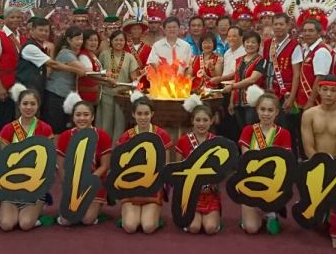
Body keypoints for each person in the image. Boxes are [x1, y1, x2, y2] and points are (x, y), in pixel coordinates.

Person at [301, 75, 336, 248]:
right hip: (315, 165)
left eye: (333, 90)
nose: (329, 94)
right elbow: (308, 146)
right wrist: (319, 167)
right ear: (318, 90)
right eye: (325, 90)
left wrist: (334, 170)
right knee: (311, 218)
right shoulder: (309, 115)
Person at [0, 88, 54, 232]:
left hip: (35, 187)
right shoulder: (8, 129)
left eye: (32, 104)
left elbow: (49, 161)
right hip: (11, 187)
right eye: (25, 103)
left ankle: (38, 208)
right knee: (6, 225)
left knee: (25, 224)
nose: (28, 107)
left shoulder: (45, 129)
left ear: (38, 105)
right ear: (19, 105)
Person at [238, 92, 292, 235]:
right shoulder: (248, 130)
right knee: (251, 229)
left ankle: (272, 212)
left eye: (270, 110)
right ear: (257, 110)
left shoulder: (284, 133)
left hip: (273, 183)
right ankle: (256, 212)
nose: (266, 114)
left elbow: (285, 162)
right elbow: (246, 159)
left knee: (272, 231)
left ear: (276, 112)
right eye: (262, 109)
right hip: (251, 181)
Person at [117, 98, 174, 234]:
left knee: (148, 227)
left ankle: (153, 214)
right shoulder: (126, 136)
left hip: (152, 187)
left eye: (146, 113)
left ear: (152, 114)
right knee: (130, 227)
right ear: (133, 114)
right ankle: (129, 214)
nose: (143, 117)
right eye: (139, 114)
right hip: (131, 187)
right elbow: (121, 166)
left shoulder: (161, 135)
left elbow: (165, 165)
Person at [56, 100, 113, 226]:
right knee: (66, 221)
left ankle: (96, 207)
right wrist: (69, 186)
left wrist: (88, 181)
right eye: (78, 115)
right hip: (73, 184)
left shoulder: (102, 136)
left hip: (95, 182)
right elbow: (61, 166)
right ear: (73, 117)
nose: (82, 118)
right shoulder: (65, 136)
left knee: (87, 219)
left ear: (92, 117)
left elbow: (105, 166)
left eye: (86, 115)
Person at [176, 104, 224, 235]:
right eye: (198, 120)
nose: (201, 124)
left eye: (205, 120)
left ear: (211, 121)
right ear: (192, 120)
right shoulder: (183, 141)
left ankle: (214, 218)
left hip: (210, 195)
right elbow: (179, 169)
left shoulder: (217, 142)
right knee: (194, 228)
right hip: (190, 195)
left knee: (210, 228)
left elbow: (221, 170)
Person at [0, 7, 26, 136]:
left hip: (18, 83)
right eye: (12, 17)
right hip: (4, 85)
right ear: (5, 19)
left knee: (16, 118)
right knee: (4, 119)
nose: (16, 20)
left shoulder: (21, 36)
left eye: (18, 17)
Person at [45, 26, 91, 133]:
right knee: (56, 129)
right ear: (69, 40)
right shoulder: (66, 53)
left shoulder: (73, 54)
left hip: (63, 95)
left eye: (81, 39)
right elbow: (84, 70)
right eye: (77, 39)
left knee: (64, 129)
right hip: (56, 95)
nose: (80, 42)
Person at [98, 30, 140, 140]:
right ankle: (104, 148)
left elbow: (134, 77)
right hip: (106, 94)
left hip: (122, 96)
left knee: (120, 125)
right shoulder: (104, 55)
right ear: (111, 41)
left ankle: (117, 148)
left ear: (125, 42)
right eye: (116, 40)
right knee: (105, 124)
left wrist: (137, 82)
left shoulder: (130, 57)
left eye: (121, 40)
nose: (118, 42)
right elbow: (98, 74)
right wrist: (106, 79)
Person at [223, 30, 267, 130]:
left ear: (258, 45)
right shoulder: (239, 60)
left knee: (253, 129)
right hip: (237, 101)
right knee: (242, 130)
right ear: (243, 44)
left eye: (253, 42)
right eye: (247, 42)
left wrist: (232, 86)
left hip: (252, 103)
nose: (250, 44)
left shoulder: (261, 60)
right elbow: (236, 79)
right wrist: (231, 101)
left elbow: (252, 79)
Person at [263, 14, 298, 124]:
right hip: (269, 91)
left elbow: (297, 75)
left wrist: (291, 98)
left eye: (281, 24)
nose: (278, 27)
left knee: (283, 125)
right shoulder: (268, 43)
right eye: (276, 24)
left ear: (288, 26)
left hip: (285, 94)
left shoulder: (294, 45)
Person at [76, 29, 104, 105]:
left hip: (93, 96)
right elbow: (90, 74)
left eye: (96, 40)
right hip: (86, 96)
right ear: (84, 41)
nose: (94, 43)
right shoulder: (83, 56)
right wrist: (106, 80)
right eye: (90, 40)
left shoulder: (92, 54)